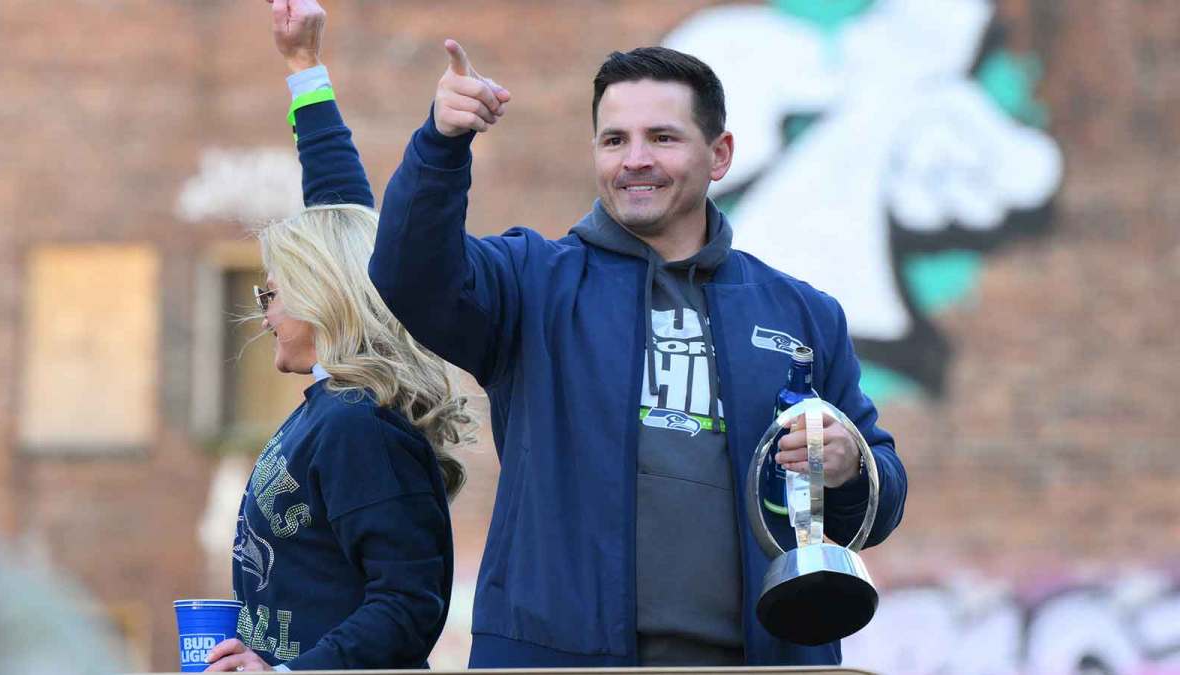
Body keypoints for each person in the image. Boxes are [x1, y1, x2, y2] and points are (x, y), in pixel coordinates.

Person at [298, 16, 909, 669]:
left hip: (763, 660)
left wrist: (849, 465)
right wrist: (442, 145)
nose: (635, 159)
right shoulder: (530, 283)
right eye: (614, 139)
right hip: (561, 659)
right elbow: (407, 275)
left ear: (721, 154)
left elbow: (878, 498)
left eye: (663, 137)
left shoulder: (802, 314)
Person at [203, 1, 471, 670]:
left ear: (322, 297)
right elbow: (342, 214)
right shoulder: (338, 407)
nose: (263, 314)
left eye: (272, 292)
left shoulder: (359, 425)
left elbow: (407, 604)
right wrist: (303, 68)